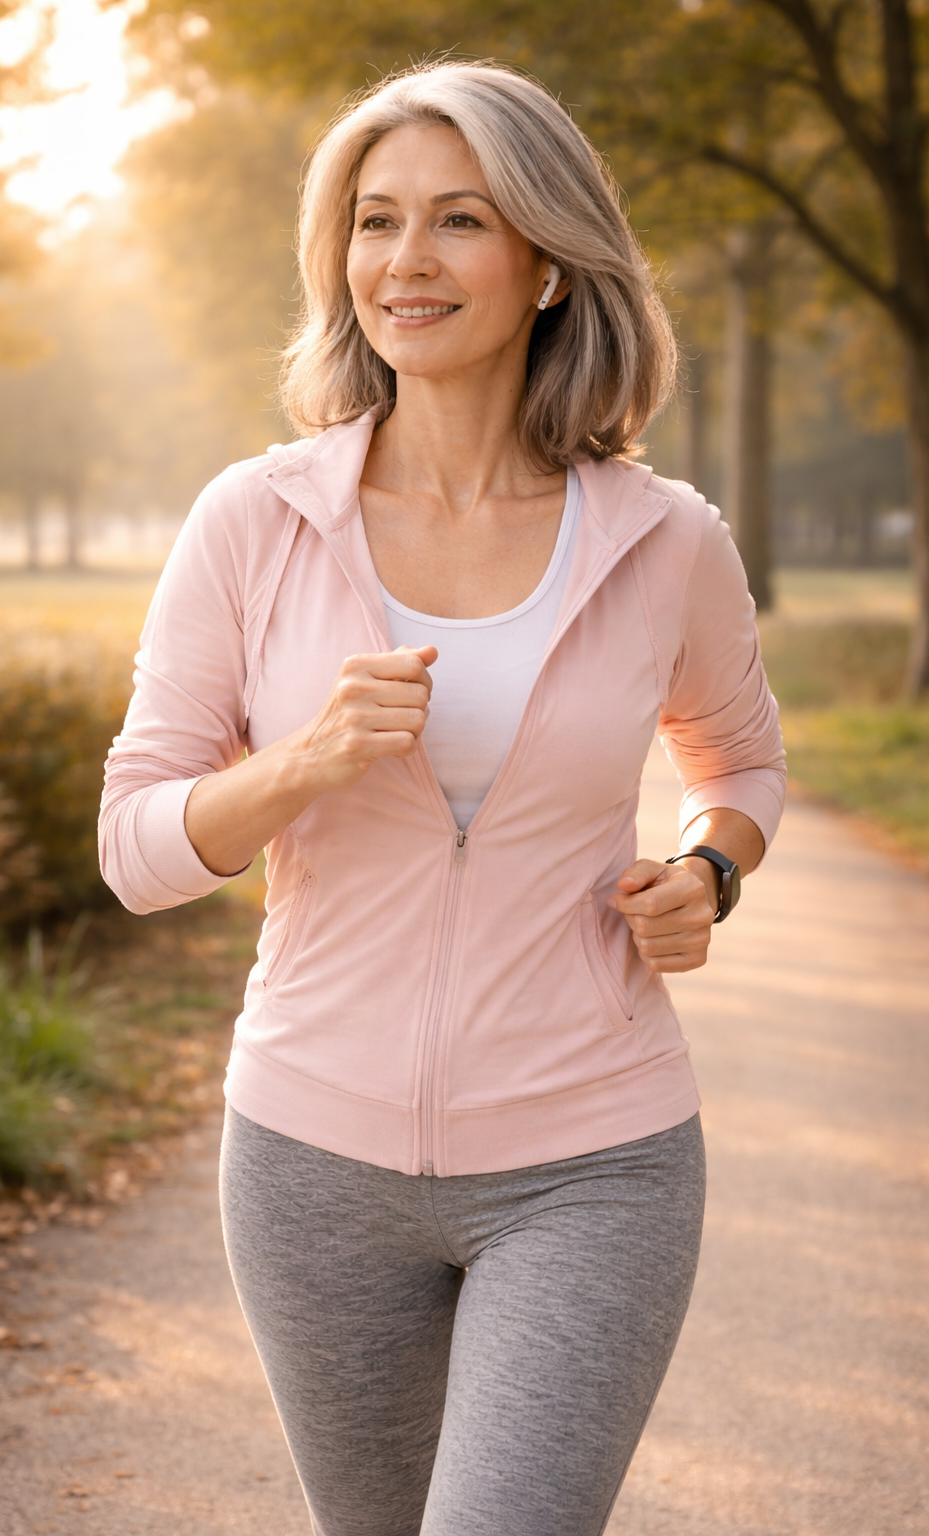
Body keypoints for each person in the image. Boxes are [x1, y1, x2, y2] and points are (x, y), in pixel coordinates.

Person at [99, 61, 785, 1536]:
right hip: (309, 1160)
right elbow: (136, 849)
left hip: (594, 1163)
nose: (405, 263)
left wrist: (707, 870)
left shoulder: (664, 540)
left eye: (458, 220)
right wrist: (301, 767)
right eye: (374, 221)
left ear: (546, 261)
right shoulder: (256, 521)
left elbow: (740, 763)